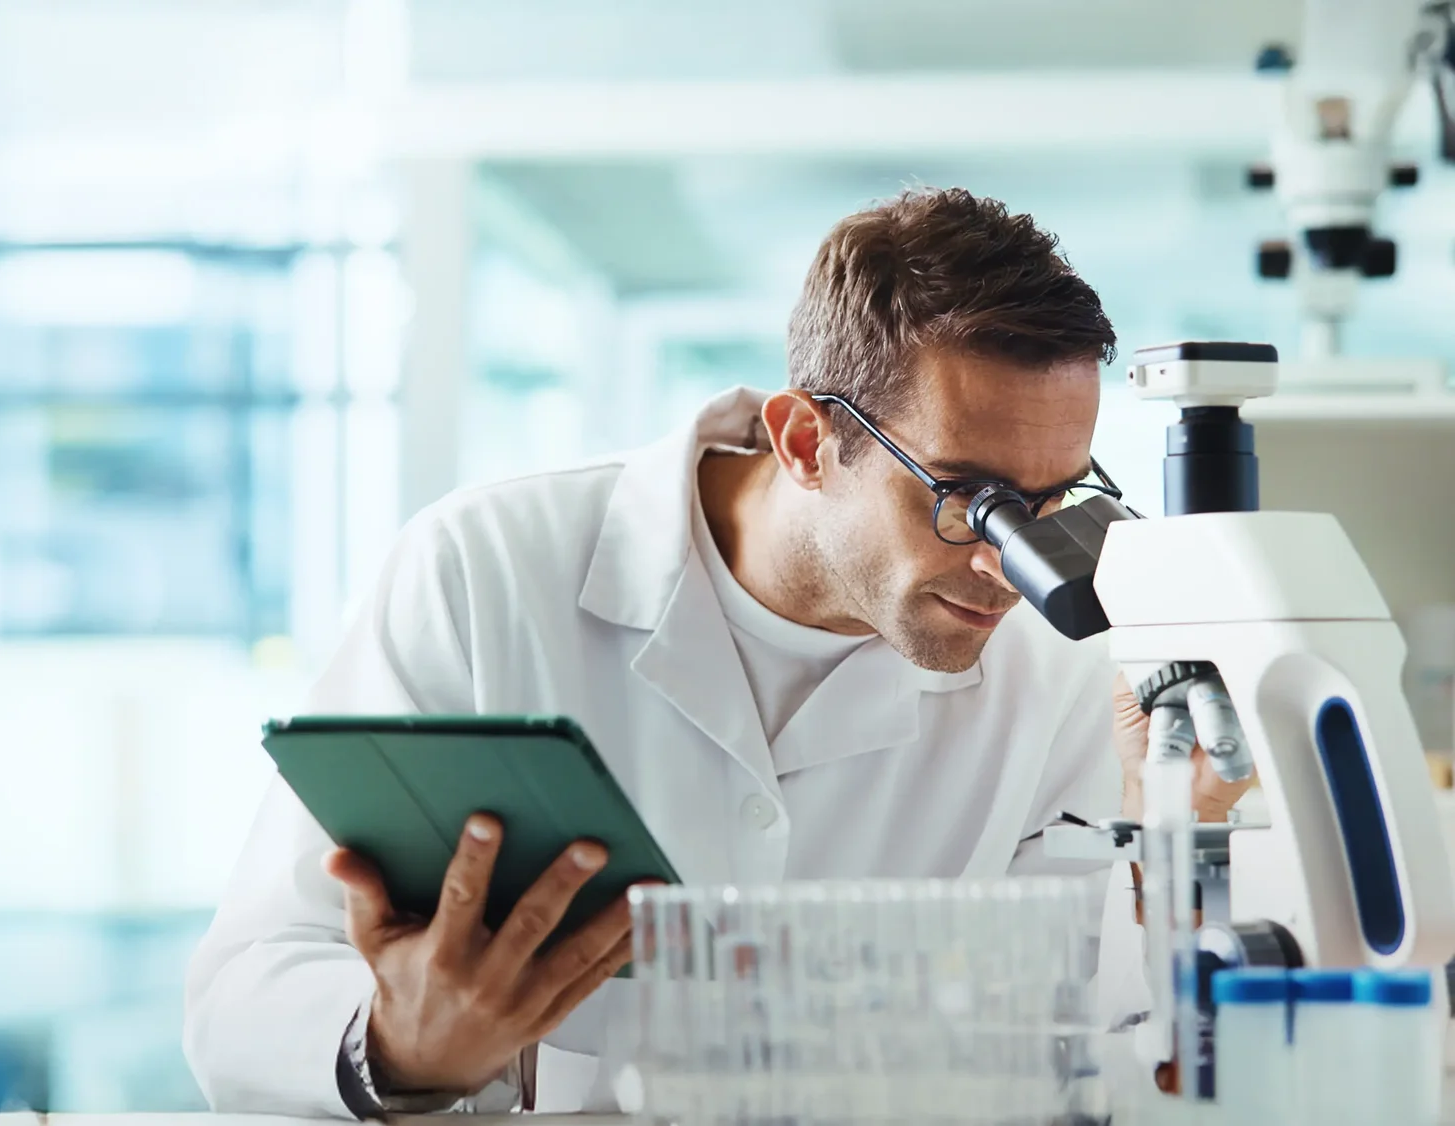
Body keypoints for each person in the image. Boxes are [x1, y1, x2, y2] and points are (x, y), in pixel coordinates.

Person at [181, 188, 1254, 1117]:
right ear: (803, 441)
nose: (1002, 565)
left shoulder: (1058, 667)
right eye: (965, 499)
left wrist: (1172, 840)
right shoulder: (483, 572)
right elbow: (241, 1000)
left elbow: (1092, 1038)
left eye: (1048, 503)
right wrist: (405, 1045)